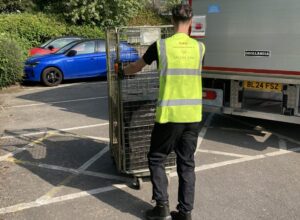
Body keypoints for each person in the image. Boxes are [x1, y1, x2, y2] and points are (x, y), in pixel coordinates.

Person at [123, 4, 205, 220]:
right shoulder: (200, 48)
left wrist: (123, 70)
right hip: (193, 116)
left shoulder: (161, 46)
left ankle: (162, 208)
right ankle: (185, 213)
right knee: (186, 163)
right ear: (191, 22)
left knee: (157, 158)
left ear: (171, 21)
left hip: (169, 115)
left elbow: (136, 67)